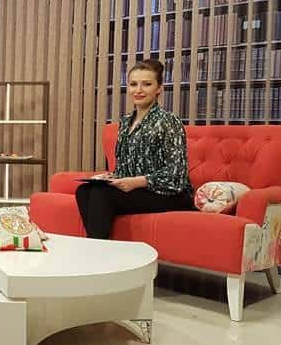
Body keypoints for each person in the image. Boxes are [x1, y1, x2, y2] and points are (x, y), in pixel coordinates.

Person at [75, 59, 194, 240]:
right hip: (138, 190)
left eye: (146, 84)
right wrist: (110, 177)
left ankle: (97, 251)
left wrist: (137, 182)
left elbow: (176, 174)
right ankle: (101, 247)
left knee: (101, 195)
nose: (138, 90)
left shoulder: (168, 121)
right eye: (133, 84)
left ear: (159, 88)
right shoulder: (125, 122)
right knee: (84, 191)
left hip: (171, 194)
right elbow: (125, 168)